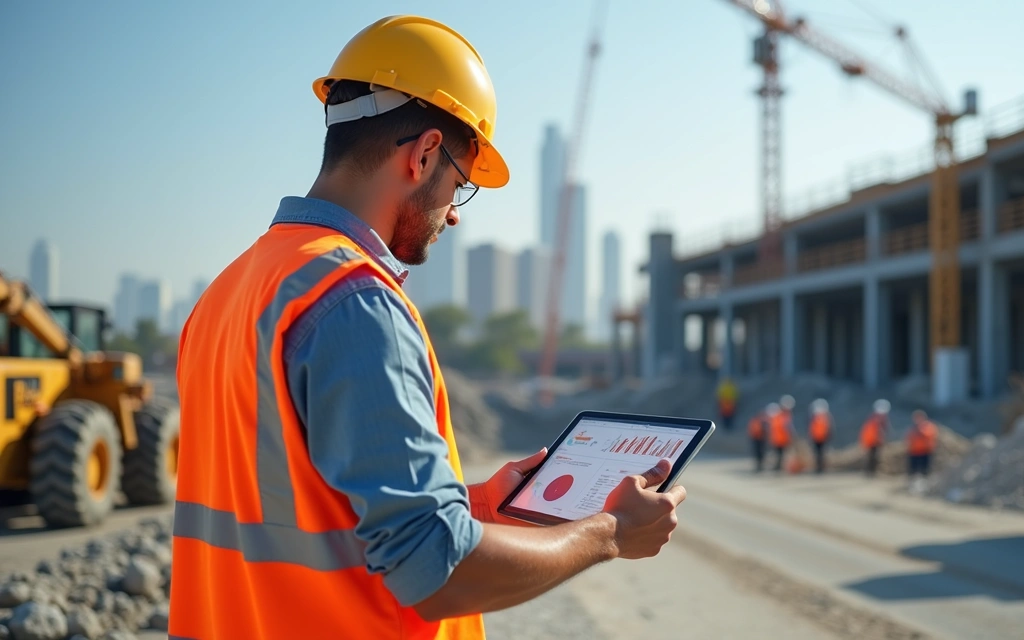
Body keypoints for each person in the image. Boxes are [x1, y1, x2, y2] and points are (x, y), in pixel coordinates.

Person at [168, 16, 685, 640]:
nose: (454, 218)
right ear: (423, 154)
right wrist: (611, 534)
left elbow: (305, 510)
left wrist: (482, 508)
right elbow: (436, 570)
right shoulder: (353, 303)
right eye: (460, 187)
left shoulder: (231, 291)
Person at [859, 399, 891, 478]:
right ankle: (870, 472)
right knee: (872, 457)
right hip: (872, 442)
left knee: (873, 457)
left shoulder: (873, 418)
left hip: (872, 441)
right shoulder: (876, 420)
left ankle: (871, 472)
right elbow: (878, 432)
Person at [906, 409, 939, 478]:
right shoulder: (912, 428)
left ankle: (924, 481)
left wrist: (921, 432)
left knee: (925, 469)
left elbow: (931, 436)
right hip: (914, 451)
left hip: (925, 451)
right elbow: (908, 438)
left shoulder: (928, 426)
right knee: (913, 468)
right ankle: (912, 481)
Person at [808, 399, 832, 474]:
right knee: (819, 454)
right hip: (817, 438)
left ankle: (821, 468)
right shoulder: (820, 418)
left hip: (821, 438)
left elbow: (828, 428)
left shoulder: (822, 418)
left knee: (821, 454)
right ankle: (819, 468)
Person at [768, 402, 791, 473]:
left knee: (780, 454)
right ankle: (779, 466)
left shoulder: (780, 417)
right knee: (779, 454)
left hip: (780, 440)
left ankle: (779, 466)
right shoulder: (780, 417)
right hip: (780, 440)